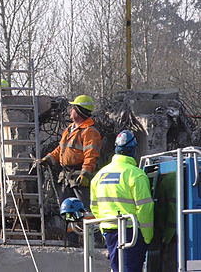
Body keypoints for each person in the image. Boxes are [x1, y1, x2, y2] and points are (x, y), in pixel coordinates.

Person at [38, 94, 102, 244]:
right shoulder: (70, 129)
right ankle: (72, 239)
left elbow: (91, 154)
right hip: (66, 177)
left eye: (73, 107)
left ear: (79, 111)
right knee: (68, 210)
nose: (70, 109)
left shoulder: (89, 132)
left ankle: (96, 240)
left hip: (79, 175)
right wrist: (48, 159)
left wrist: (86, 173)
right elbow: (61, 149)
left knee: (86, 209)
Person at [90, 130, 154, 272]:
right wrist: (148, 237)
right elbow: (145, 208)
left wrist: (104, 228)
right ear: (133, 149)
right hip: (131, 233)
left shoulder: (99, 175)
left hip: (109, 232)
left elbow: (95, 207)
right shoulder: (136, 175)